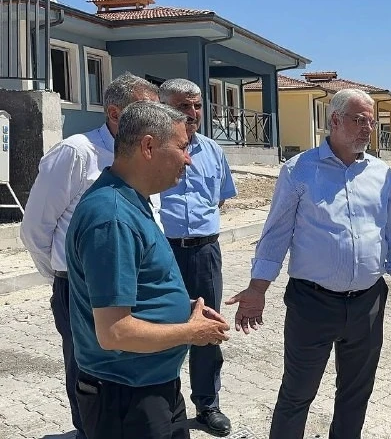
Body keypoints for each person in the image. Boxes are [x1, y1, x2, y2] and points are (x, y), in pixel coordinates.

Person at [225, 88, 391, 439]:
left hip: (368, 303)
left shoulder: (382, 174)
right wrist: (257, 288)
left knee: (355, 394)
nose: (367, 128)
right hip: (312, 303)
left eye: (371, 122)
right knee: (297, 393)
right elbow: (277, 233)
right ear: (335, 120)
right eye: (360, 120)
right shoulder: (299, 169)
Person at [66, 100, 230, 439]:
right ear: (149, 147)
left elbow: (135, 287)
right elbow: (114, 332)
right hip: (126, 397)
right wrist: (191, 332)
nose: (189, 158)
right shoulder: (112, 217)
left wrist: (181, 310)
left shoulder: (131, 199)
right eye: (182, 147)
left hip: (151, 386)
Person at [19, 72, 161, 439]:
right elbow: (35, 229)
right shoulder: (77, 153)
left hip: (135, 287)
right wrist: (66, 278)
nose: (157, 119)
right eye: (147, 110)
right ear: (114, 113)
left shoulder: (148, 154)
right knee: (90, 379)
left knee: (129, 375)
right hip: (83, 292)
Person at [158, 78, 238, 435]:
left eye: (197, 106)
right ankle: (163, 406)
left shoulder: (214, 150)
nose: (192, 113)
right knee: (162, 327)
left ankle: (208, 405)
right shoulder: (153, 148)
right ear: (163, 108)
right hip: (163, 251)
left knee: (207, 327)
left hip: (206, 251)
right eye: (183, 106)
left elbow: (218, 198)